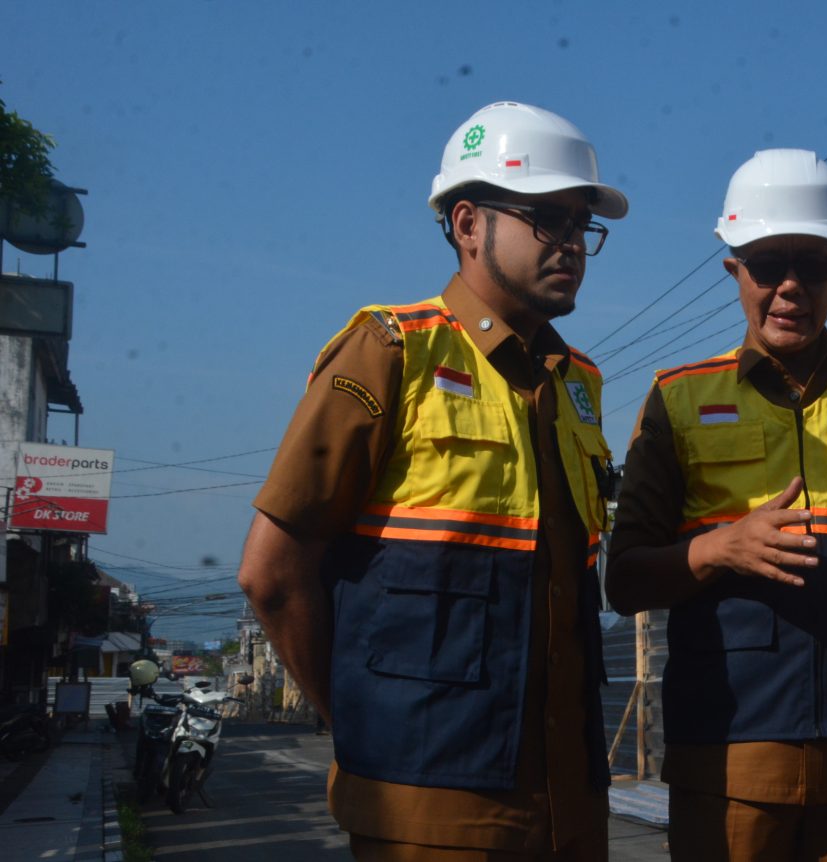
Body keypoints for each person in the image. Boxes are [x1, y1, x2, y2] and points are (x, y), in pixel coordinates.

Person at [236, 101, 627, 861]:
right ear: (468, 224)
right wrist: (362, 723)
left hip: (570, 806)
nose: (573, 244)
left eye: (582, 225)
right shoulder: (390, 352)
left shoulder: (578, 382)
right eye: (548, 219)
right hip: (428, 815)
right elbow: (272, 576)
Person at [605, 149, 827, 862]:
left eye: (813, 264)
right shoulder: (679, 399)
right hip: (728, 762)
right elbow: (625, 580)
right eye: (768, 265)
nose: (791, 286)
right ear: (735, 269)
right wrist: (720, 549)